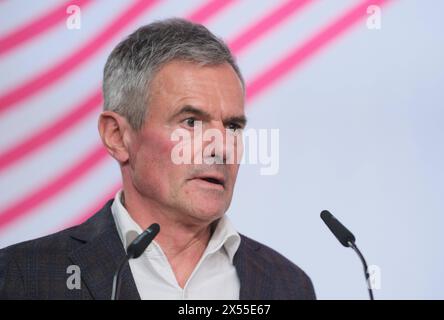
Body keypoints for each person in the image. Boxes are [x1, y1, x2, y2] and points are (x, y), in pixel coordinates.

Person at [0, 18, 315, 300]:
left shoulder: (287, 284)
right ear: (118, 137)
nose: (221, 147)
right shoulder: (21, 277)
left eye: (233, 126)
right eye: (191, 122)